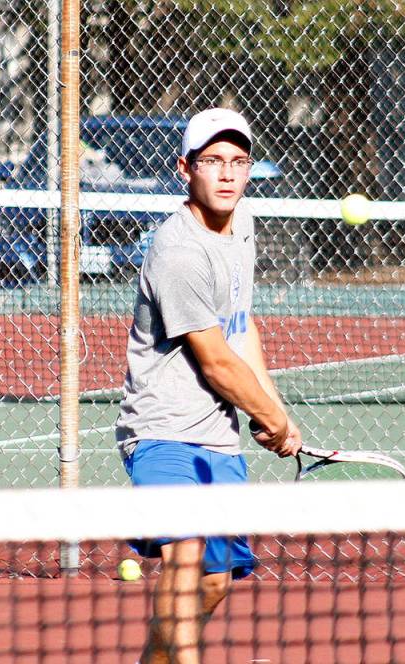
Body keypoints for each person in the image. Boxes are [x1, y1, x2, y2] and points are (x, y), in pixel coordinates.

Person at [115, 107, 302, 664]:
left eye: (238, 162)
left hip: (217, 440)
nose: (226, 173)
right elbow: (217, 362)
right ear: (186, 169)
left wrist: (276, 409)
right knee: (185, 556)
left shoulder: (241, 225)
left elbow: (242, 330)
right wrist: (269, 418)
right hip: (162, 433)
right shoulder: (178, 252)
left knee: (215, 582)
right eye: (213, 161)